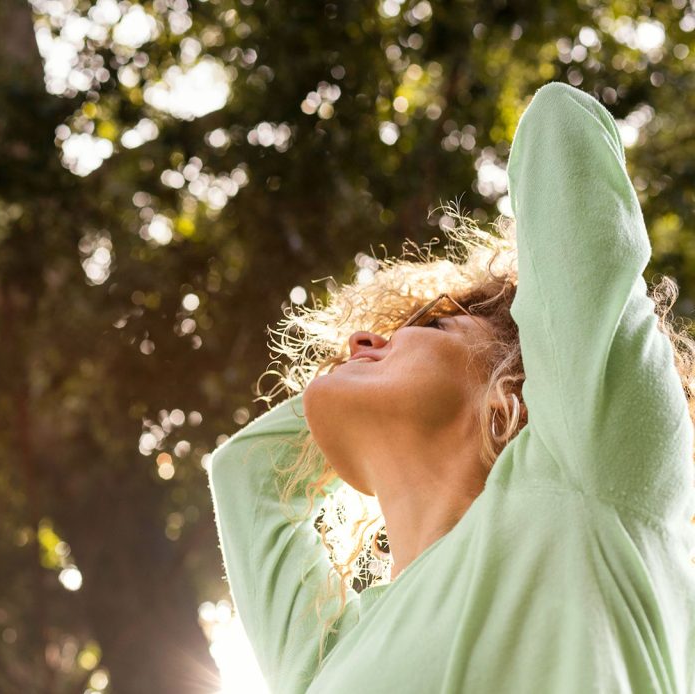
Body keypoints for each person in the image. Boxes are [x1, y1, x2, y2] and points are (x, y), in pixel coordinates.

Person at [207, 81, 695, 693]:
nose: (360, 339)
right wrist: (358, 388)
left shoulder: (587, 476)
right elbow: (246, 472)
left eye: (429, 324)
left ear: (514, 379)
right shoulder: (331, 656)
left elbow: (560, 128)